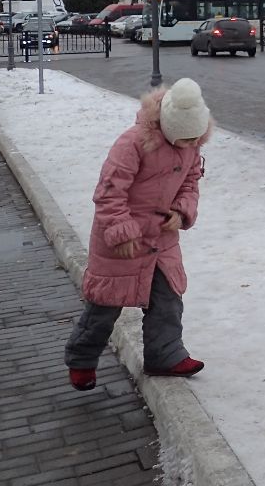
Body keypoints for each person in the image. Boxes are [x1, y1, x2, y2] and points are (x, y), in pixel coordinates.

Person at [65, 78, 213, 391]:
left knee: (168, 299)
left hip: (161, 239)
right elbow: (109, 192)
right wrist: (122, 232)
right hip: (122, 241)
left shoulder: (192, 145)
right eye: (185, 139)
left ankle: (166, 355)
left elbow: (190, 183)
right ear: (170, 127)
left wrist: (181, 210)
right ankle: (82, 360)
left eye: (195, 139)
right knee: (105, 305)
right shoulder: (132, 143)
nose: (191, 145)